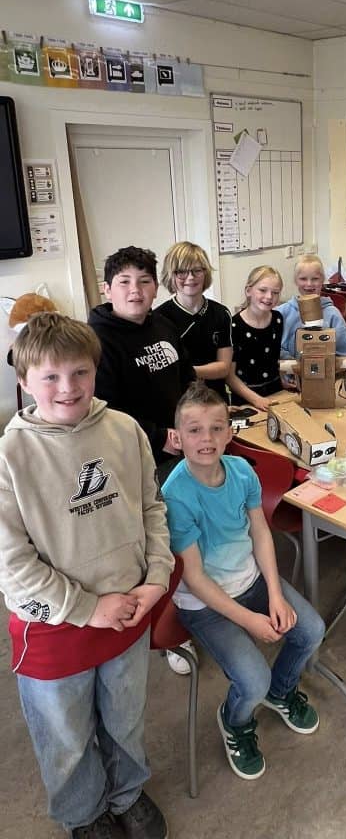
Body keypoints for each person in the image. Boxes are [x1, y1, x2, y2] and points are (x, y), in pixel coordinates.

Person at [0, 312, 173, 839]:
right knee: (66, 736)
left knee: (125, 717)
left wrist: (157, 576)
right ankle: (84, 813)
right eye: (50, 376)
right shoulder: (10, 455)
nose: (67, 387)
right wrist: (87, 608)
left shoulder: (124, 430)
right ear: (24, 380)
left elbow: (151, 508)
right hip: (55, 625)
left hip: (128, 609)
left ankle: (127, 792)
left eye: (80, 372)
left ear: (96, 371)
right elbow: (12, 565)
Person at [162, 382, 325, 781]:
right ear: (177, 437)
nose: (207, 439)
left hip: (250, 581)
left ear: (229, 432)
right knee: (252, 681)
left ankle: (281, 692)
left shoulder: (240, 471)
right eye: (195, 430)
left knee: (311, 631)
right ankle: (235, 721)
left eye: (216, 428)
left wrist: (275, 593)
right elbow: (194, 577)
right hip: (204, 603)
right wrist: (250, 620)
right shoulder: (175, 495)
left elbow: (260, 533)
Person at [88, 245, 195, 470]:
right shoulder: (95, 341)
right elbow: (104, 409)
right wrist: (159, 437)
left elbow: (187, 378)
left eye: (144, 281)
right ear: (107, 289)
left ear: (155, 289)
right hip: (134, 453)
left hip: (181, 441)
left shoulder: (164, 325)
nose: (135, 290)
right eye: (124, 282)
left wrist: (195, 418)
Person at [156, 241, 233, 399]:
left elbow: (224, 368)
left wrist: (186, 372)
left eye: (197, 270)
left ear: (205, 273)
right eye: (181, 272)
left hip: (215, 399)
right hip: (179, 401)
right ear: (171, 275)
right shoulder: (159, 318)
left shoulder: (221, 313)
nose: (190, 277)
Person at [228, 266, 285, 412]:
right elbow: (229, 376)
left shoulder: (278, 319)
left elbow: (272, 359)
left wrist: (282, 380)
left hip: (275, 393)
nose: (269, 296)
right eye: (263, 290)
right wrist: (256, 400)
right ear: (249, 291)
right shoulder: (233, 326)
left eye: (275, 292)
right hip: (246, 399)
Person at [276, 255, 346, 359]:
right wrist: (292, 362)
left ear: (323, 280)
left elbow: (345, 352)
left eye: (315, 279)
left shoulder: (333, 314)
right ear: (295, 280)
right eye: (303, 279)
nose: (309, 284)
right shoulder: (282, 312)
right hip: (289, 368)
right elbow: (273, 346)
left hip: (326, 368)